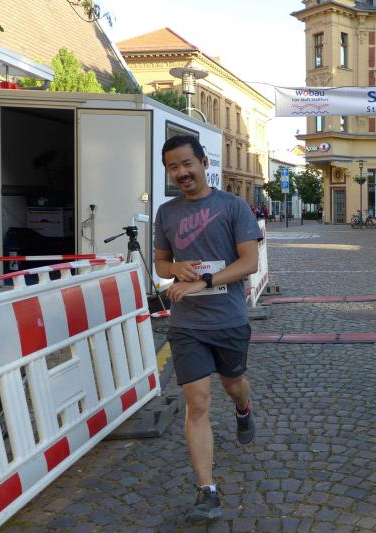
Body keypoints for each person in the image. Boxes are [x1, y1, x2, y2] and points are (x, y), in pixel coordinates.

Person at [154, 135, 261, 520]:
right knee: (197, 402)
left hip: (228, 319)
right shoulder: (166, 213)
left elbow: (249, 262)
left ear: (203, 162)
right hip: (187, 325)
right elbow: (161, 263)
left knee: (233, 384)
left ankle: (244, 408)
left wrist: (205, 281)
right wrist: (174, 268)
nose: (181, 172)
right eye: (173, 167)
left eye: (187, 163)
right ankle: (207, 491)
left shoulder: (232, 206)